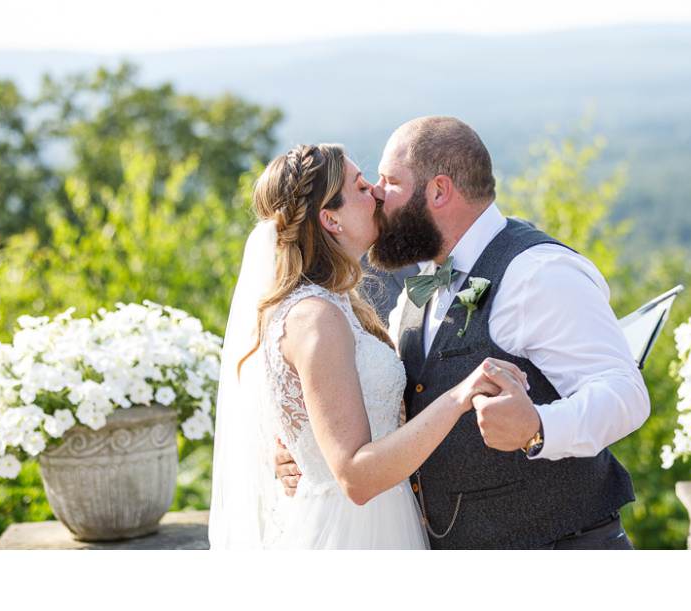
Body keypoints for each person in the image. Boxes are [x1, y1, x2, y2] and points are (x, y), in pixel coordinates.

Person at [276, 116, 651, 549]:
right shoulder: (419, 288)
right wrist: (307, 445)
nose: (377, 193)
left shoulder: (539, 273)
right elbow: (388, 399)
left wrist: (539, 427)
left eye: (389, 181)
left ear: (438, 191)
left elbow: (625, 392)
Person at [208, 142, 528, 549]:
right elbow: (355, 476)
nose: (376, 193)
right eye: (361, 187)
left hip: (383, 518)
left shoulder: (336, 303)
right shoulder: (315, 316)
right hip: (350, 533)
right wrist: (460, 396)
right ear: (330, 218)